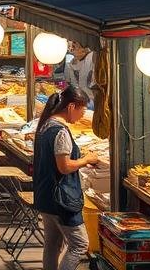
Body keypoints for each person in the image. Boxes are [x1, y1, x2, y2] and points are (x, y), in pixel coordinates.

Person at [32, 85, 100, 270]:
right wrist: (86, 159)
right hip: (61, 199)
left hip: (45, 196)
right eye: (82, 111)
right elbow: (64, 167)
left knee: (52, 244)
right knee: (79, 245)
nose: (81, 117)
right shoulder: (60, 131)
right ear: (71, 107)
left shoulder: (44, 125)